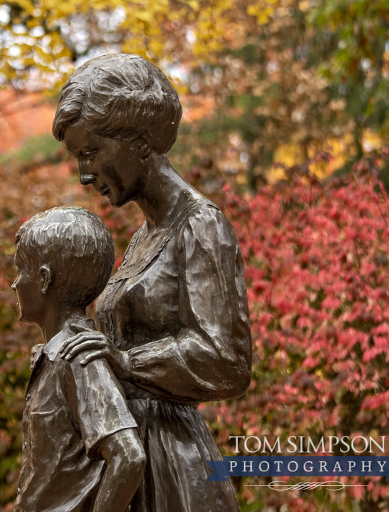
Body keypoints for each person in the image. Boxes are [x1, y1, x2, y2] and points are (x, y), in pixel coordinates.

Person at [52, 53, 252, 512]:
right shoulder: (145, 236)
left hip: (171, 465)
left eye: (91, 153)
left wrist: (125, 362)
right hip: (128, 453)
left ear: (138, 142)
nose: (85, 175)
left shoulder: (201, 226)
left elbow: (228, 360)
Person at [11, 206, 146, 512]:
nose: (14, 283)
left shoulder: (79, 357)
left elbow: (128, 457)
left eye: (20, 270)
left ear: (44, 279)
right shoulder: (54, 356)